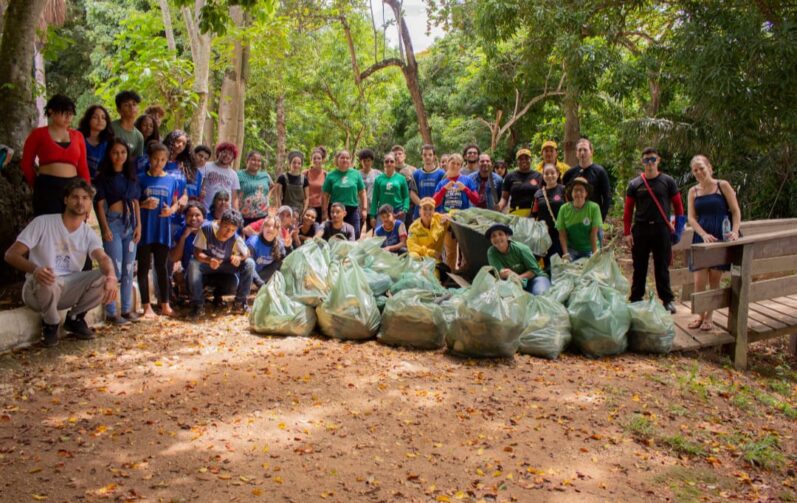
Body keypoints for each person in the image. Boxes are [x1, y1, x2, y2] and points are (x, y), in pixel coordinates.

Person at [4, 179, 117, 347]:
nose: (80, 202)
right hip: (37, 289)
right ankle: (50, 324)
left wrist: (112, 277)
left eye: (85, 198)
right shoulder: (43, 223)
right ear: (66, 200)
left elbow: (103, 258)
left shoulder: (87, 233)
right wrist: (35, 270)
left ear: (89, 202)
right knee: (48, 277)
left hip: (66, 289)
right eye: (75, 197)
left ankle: (75, 318)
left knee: (105, 274)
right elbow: (10, 255)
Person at [623, 147, 684, 314]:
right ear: (642, 162)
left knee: (661, 266)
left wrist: (678, 230)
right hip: (641, 229)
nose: (649, 163)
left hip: (661, 229)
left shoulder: (667, 181)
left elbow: (679, 207)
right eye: (646, 160)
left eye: (652, 159)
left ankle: (667, 300)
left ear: (658, 160)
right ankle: (636, 298)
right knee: (639, 266)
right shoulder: (635, 184)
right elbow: (628, 210)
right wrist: (627, 232)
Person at [687, 154, 741, 330]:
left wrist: (734, 231)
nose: (699, 172)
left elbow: (735, 211)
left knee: (715, 279)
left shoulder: (722, 185)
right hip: (702, 237)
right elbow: (691, 218)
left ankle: (709, 317)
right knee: (699, 280)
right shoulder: (693, 191)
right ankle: (699, 315)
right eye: (695, 170)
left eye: (701, 168)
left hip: (720, 234)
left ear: (709, 167)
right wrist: (702, 234)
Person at [93, 139, 142, 324]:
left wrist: (139, 226)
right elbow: (99, 204)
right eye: (115, 152)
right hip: (113, 223)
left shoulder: (132, 176)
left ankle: (127, 309)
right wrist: (105, 228)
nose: (119, 156)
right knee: (114, 269)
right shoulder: (103, 178)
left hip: (130, 225)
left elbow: (136, 202)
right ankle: (112, 312)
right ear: (109, 154)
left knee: (129, 269)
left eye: (123, 152)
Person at [22, 94, 90, 216]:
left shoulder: (78, 136)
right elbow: (26, 163)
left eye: (70, 113)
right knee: (48, 227)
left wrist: (87, 194)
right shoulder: (38, 134)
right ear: (51, 112)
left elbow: (83, 167)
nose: (68, 117)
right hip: (47, 186)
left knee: (72, 226)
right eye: (63, 112)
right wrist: (36, 184)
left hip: (73, 186)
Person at [137, 142, 180, 318]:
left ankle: (165, 305)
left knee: (162, 267)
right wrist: (143, 204)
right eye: (155, 159)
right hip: (145, 229)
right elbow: (133, 202)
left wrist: (171, 210)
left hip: (163, 230)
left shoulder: (171, 179)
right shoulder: (141, 178)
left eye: (162, 160)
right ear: (149, 158)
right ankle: (146, 306)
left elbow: (176, 202)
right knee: (144, 267)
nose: (158, 163)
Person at [188, 209, 254, 317]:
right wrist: (209, 260)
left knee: (250, 263)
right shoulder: (206, 229)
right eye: (226, 228)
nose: (228, 233)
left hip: (225, 268)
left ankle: (240, 303)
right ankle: (197, 305)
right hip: (207, 266)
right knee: (193, 263)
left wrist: (239, 258)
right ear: (220, 222)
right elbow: (196, 252)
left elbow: (247, 253)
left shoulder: (235, 239)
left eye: (232, 230)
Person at [433, 153, 479, 270]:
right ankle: (451, 275)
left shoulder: (466, 180)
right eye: (453, 163)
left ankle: (465, 275)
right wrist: (444, 189)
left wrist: (465, 189)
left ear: (461, 166)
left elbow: (476, 199)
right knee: (450, 252)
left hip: (463, 220)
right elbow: (434, 202)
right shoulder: (443, 182)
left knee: (466, 252)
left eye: (458, 164)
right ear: (448, 164)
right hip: (448, 220)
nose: (455, 166)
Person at [486, 223, 551, 295]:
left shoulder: (521, 248)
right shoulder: (491, 252)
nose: (497, 238)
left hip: (535, 278)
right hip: (513, 283)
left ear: (507, 236)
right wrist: (512, 278)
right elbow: (500, 273)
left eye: (500, 234)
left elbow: (534, 271)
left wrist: (517, 278)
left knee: (541, 295)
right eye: (493, 236)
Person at [562, 138, 612, 221]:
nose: (582, 153)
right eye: (579, 150)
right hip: (574, 218)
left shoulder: (600, 171)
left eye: (585, 150)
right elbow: (563, 194)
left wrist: (601, 218)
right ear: (576, 153)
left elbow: (607, 196)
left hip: (593, 218)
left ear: (591, 152)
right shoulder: (569, 173)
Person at [322, 150, 367, 239]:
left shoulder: (356, 174)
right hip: (335, 210)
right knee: (335, 235)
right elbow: (325, 195)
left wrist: (364, 209)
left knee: (355, 233)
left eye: (347, 158)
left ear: (350, 160)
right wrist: (324, 212)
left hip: (352, 209)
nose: (345, 160)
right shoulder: (331, 175)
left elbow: (362, 192)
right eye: (342, 158)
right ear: (337, 160)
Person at [556, 177, 602, 261]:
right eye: (575, 190)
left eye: (581, 190)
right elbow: (562, 233)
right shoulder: (564, 209)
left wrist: (595, 254)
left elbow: (594, 233)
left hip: (590, 249)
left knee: (593, 271)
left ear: (586, 193)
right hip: (572, 250)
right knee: (567, 269)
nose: (578, 193)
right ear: (571, 192)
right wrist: (566, 254)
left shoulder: (594, 207)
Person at [169, 201, 206, 305]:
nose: (193, 218)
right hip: (190, 274)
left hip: (209, 271)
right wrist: (183, 238)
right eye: (190, 215)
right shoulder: (182, 232)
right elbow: (174, 258)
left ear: (203, 216)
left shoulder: (209, 230)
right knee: (181, 273)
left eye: (197, 215)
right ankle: (197, 303)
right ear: (185, 218)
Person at [532, 164, 566, 269]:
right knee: (548, 264)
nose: (549, 175)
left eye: (552, 173)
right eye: (546, 173)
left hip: (561, 234)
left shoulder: (563, 190)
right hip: (545, 235)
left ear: (558, 174)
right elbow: (534, 213)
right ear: (543, 175)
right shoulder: (538, 194)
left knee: (561, 261)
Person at [163, 130, 197, 227]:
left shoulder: (183, 164)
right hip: (163, 207)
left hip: (179, 210)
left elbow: (183, 185)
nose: (180, 145)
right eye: (178, 141)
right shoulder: (161, 160)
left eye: (184, 143)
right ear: (170, 140)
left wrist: (185, 196)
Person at [497, 148, 543, 216]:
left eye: (526, 158)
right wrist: (499, 207)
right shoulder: (510, 176)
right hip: (516, 214)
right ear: (517, 161)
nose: (524, 161)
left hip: (535, 215)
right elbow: (504, 198)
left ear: (531, 160)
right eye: (520, 159)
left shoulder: (539, 176)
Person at [77, 104, 115, 181]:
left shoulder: (109, 141)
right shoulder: (78, 137)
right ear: (88, 119)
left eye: (103, 118)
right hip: (78, 181)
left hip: (100, 182)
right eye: (95, 117)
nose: (100, 120)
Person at [247, 215, 286, 287]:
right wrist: (260, 284)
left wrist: (289, 247)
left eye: (275, 227)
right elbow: (246, 266)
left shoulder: (279, 244)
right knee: (249, 263)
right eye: (268, 225)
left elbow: (284, 262)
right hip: (247, 276)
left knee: (279, 262)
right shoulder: (253, 243)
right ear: (263, 227)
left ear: (278, 231)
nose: (271, 229)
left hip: (261, 274)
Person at [370, 152, 409, 224]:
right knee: (380, 235)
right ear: (384, 163)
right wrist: (372, 216)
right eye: (386, 161)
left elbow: (406, 196)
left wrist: (404, 209)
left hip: (398, 212)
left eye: (391, 161)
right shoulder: (378, 179)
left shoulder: (401, 178)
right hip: (382, 212)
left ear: (395, 163)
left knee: (397, 234)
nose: (389, 163)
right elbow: (375, 198)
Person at [201, 142, 240, 211]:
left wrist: (236, 212)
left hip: (225, 212)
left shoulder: (233, 174)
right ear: (218, 152)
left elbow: (234, 197)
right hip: (206, 210)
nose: (227, 155)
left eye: (230, 154)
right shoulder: (206, 166)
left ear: (233, 158)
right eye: (224, 152)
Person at [407, 197, 448, 263]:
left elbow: (455, 214)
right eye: (425, 209)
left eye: (430, 209)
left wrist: (449, 217)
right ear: (419, 211)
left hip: (436, 261)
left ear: (434, 211)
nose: (428, 211)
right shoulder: (413, 227)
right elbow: (411, 246)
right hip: (421, 259)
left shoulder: (439, 219)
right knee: (413, 256)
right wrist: (430, 252)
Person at [240, 150, 275, 225]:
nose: (256, 162)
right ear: (247, 160)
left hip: (262, 215)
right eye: (253, 159)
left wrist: (267, 197)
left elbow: (273, 186)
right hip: (243, 216)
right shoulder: (239, 174)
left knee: (260, 236)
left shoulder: (265, 175)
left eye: (259, 161)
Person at [412, 144, 446, 220]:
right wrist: (423, 205)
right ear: (422, 156)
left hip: (437, 213)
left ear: (434, 156)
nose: (427, 157)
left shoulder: (442, 174)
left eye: (430, 155)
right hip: (420, 214)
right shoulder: (416, 174)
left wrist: (431, 205)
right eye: (425, 155)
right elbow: (412, 192)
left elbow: (444, 193)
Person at [111, 90, 145, 158]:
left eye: (134, 104)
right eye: (126, 105)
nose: (132, 107)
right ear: (119, 110)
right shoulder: (110, 127)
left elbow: (136, 162)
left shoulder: (139, 137)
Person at [276, 151, 308, 218]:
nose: (296, 165)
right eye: (294, 162)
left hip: (299, 212)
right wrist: (280, 210)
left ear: (301, 165)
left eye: (299, 163)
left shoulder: (304, 179)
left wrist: (304, 211)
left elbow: (307, 198)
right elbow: (278, 197)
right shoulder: (282, 178)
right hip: (286, 211)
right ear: (290, 163)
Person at [393, 145, 419, 226]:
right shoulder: (390, 171)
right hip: (395, 206)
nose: (397, 156)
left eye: (400, 153)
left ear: (404, 156)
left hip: (411, 207)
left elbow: (417, 189)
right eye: (395, 154)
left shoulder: (413, 170)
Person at [357, 149, 381, 231]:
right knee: (357, 231)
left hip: (374, 208)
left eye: (369, 160)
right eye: (364, 161)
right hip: (359, 208)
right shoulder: (356, 174)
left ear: (372, 161)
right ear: (360, 161)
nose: (366, 163)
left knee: (376, 232)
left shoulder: (378, 174)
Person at [304, 147, 327, 219]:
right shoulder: (305, 173)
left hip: (320, 208)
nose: (316, 160)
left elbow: (328, 195)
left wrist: (325, 211)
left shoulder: (326, 175)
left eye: (319, 158)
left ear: (322, 160)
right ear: (311, 160)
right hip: (306, 207)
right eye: (314, 158)